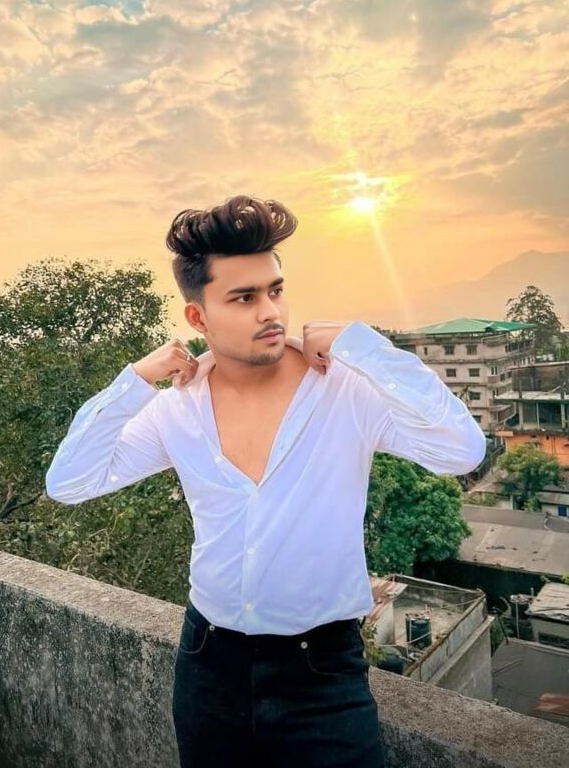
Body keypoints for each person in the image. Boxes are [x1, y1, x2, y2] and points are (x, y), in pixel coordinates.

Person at [46, 195, 487, 767]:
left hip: (323, 674)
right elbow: (70, 481)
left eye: (275, 290)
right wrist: (136, 378)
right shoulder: (175, 409)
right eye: (244, 298)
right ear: (198, 318)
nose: (270, 311)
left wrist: (361, 345)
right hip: (208, 665)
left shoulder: (343, 390)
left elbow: (461, 451)